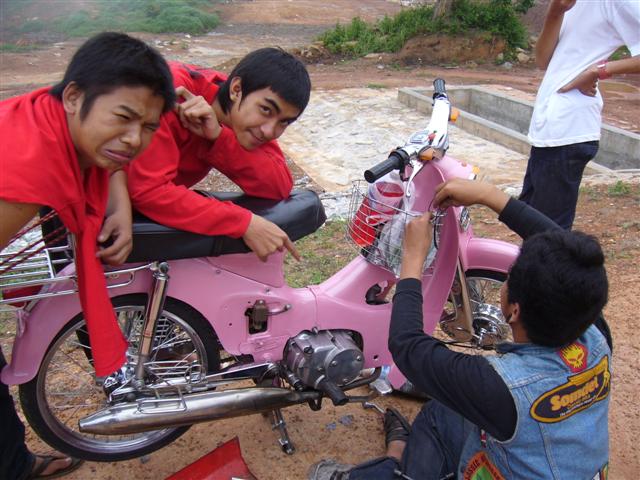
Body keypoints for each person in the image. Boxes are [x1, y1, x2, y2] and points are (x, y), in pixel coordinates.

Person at [312, 178, 611, 480]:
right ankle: (405, 453)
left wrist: (412, 260)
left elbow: (408, 346)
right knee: (443, 411)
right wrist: (489, 196)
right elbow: (568, 259)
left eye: (510, 277)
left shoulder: (498, 388)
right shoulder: (593, 331)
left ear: (514, 310)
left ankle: (389, 466)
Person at [0, 32, 174, 479]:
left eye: (149, 127)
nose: (134, 139)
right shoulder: (29, 169)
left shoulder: (47, 116)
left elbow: (108, 158)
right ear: (74, 97)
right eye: (124, 117)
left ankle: (15, 464)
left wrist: (119, 202)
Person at [127, 48, 312, 261]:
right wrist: (243, 223)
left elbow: (277, 186)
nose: (270, 131)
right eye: (266, 110)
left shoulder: (245, 110)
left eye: (284, 122)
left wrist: (219, 137)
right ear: (236, 89)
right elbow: (148, 191)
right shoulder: (171, 93)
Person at [520, 0, 640, 229]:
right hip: (548, 128)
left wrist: (598, 71)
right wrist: (556, 10)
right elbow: (543, 60)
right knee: (531, 223)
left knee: (548, 234)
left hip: (569, 129)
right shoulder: (569, 3)